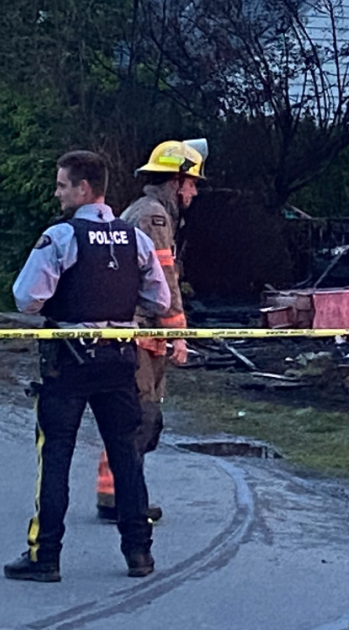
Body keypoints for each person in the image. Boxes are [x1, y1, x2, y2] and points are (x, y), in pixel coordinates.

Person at [4, 151, 171, 582]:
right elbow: (160, 301)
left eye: (62, 185)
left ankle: (46, 556)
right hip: (119, 360)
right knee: (126, 457)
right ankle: (139, 554)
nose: (57, 193)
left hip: (70, 361)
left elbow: (27, 298)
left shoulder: (62, 236)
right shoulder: (135, 238)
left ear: (83, 189)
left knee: (56, 455)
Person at [95, 139, 207, 522]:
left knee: (128, 415)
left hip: (135, 331)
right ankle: (126, 499)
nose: (193, 191)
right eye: (191, 183)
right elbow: (165, 281)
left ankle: (114, 496)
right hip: (142, 333)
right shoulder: (154, 217)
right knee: (139, 417)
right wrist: (179, 334)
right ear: (176, 180)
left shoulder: (145, 211)